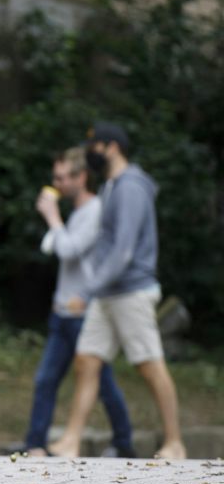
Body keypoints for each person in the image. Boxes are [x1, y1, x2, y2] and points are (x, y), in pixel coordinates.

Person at [47, 122, 184, 461]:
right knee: (87, 361)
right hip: (108, 293)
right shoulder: (112, 186)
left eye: (95, 147)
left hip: (131, 292)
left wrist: (88, 289)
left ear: (112, 148)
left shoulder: (130, 188)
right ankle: (72, 440)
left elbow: (123, 252)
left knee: (149, 365)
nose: (91, 153)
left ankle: (175, 442)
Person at [19, 147, 134, 457]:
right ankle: (35, 444)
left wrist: (52, 217)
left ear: (81, 177)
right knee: (46, 379)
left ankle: (124, 442)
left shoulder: (95, 210)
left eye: (63, 177)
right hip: (62, 313)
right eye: (54, 177)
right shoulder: (77, 212)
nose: (57, 183)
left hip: (82, 312)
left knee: (103, 383)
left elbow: (69, 249)